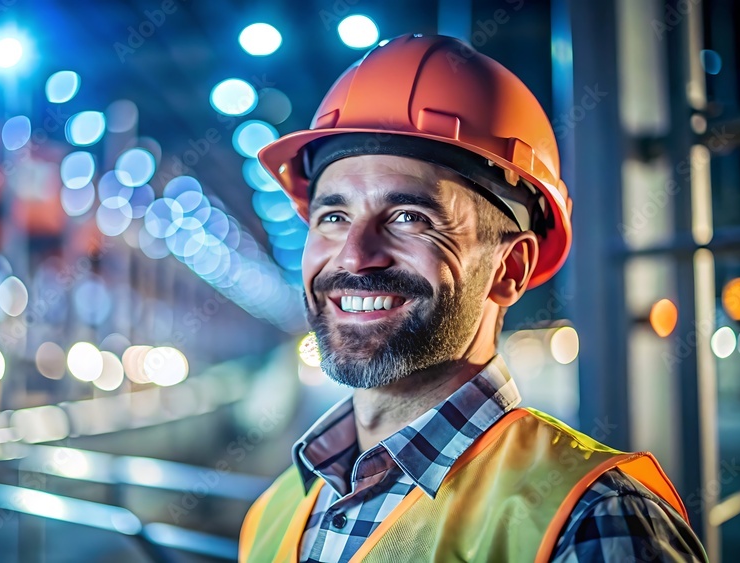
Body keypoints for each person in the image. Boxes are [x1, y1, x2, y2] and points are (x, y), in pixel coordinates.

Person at [239, 34, 707, 562]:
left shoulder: (593, 523)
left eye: (409, 218)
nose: (353, 256)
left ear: (510, 268)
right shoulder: (276, 511)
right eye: (333, 217)